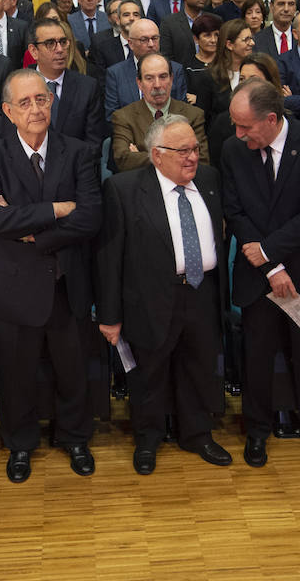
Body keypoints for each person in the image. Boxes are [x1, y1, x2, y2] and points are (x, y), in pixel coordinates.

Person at [0, 69, 102, 483]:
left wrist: (33, 233)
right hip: (14, 287)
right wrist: (56, 209)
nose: (36, 109)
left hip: (69, 282)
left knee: (73, 370)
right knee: (16, 374)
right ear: (9, 111)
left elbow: (90, 218)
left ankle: (75, 438)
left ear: (52, 102)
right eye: (25, 103)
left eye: (42, 99)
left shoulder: (80, 151)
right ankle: (20, 445)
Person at [96, 114, 233, 474]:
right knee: (150, 373)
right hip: (151, 297)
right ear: (156, 155)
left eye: (195, 149)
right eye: (182, 151)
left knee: (199, 366)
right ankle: (148, 438)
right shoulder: (124, 189)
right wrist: (110, 316)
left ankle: (197, 434)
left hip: (203, 292)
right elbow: (110, 258)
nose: (192, 157)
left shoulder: (209, 179)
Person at [222, 78, 300, 469]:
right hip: (260, 278)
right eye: (235, 125)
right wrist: (272, 266)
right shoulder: (232, 150)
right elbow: (235, 211)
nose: (238, 135)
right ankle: (256, 432)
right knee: (256, 357)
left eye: (246, 127)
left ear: (271, 119)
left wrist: (272, 251)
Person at [19, 18, 106, 153]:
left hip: (75, 170)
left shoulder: (87, 87)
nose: (59, 49)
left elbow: (93, 145)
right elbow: (7, 140)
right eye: (50, 43)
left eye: (63, 42)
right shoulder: (18, 86)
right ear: (34, 51)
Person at [112, 53, 208, 172]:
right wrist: (180, 154)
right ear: (139, 83)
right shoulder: (124, 117)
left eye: (163, 77)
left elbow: (201, 161)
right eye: (149, 78)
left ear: (171, 79)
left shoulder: (193, 115)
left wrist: (144, 155)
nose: (157, 85)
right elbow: (123, 159)